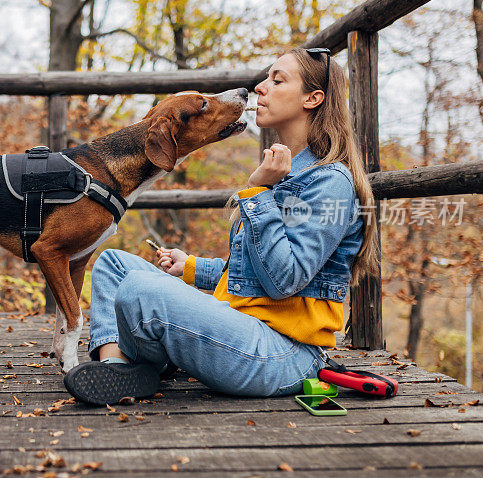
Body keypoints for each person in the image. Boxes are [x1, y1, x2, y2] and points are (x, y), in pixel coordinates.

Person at [63, 47, 380, 405]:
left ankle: (138, 364)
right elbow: (253, 274)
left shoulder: (329, 182)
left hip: (282, 353)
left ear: (313, 98)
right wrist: (192, 268)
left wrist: (258, 191)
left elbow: (283, 280)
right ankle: (119, 368)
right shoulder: (284, 170)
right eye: (266, 78)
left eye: (277, 80)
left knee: (139, 288)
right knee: (114, 265)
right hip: (243, 327)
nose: (261, 88)